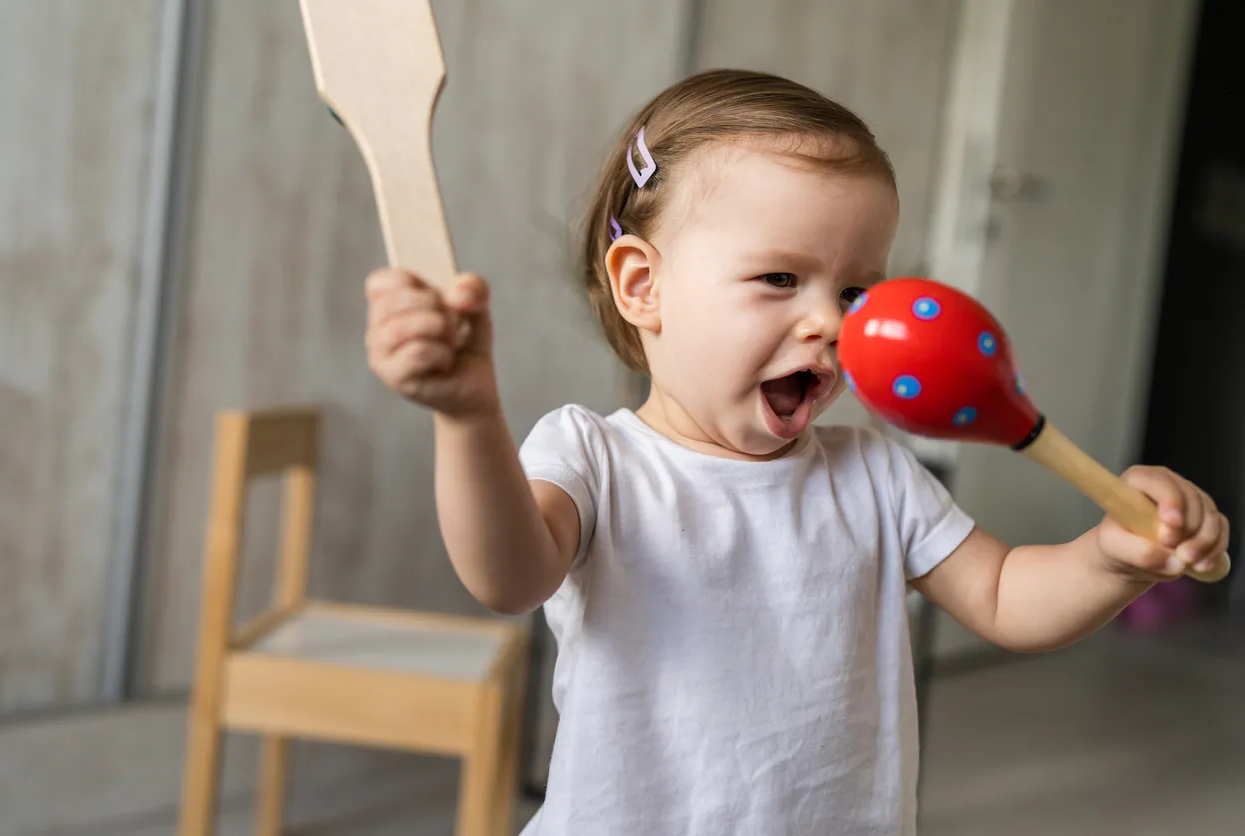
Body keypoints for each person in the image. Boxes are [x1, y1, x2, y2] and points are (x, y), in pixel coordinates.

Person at [362, 69, 1229, 834]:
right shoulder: (596, 459)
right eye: (780, 278)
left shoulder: (874, 471)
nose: (830, 322)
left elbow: (1007, 600)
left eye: (857, 290)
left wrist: (1114, 559)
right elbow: (508, 576)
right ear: (644, 286)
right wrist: (469, 417)